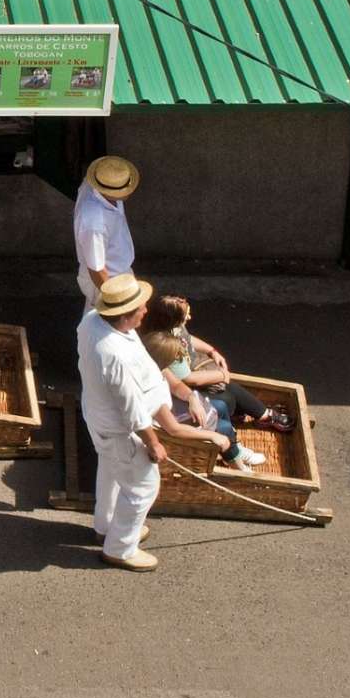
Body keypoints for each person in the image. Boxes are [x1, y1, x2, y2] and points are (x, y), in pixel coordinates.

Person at [77, 273, 231, 572]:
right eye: (139, 309)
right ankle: (120, 548)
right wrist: (153, 442)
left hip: (100, 416)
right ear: (123, 316)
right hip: (121, 428)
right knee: (143, 487)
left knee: (110, 472)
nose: (145, 312)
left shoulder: (93, 321)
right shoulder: (115, 356)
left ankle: (108, 526)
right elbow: (132, 408)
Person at [140, 293, 295, 470]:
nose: (189, 317)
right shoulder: (153, 392)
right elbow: (174, 429)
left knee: (220, 408)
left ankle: (235, 443)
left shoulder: (160, 367)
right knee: (223, 424)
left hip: (179, 406)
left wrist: (192, 398)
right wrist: (213, 436)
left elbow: (176, 385)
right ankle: (237, 463)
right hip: (174, 419)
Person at [73, 155, 138, 309]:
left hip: (120, 273)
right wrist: (114, 302)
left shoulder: (95, 183)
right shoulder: (94, 223)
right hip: (108, 281)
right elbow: (97, 269)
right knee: (109, 325)